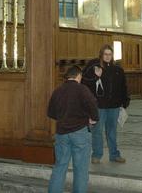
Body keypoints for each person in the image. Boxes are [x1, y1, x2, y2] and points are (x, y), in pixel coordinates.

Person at [47, 65, 99, 193]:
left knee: (60, 167)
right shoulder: (82, 89)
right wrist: (94, 118)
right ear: (78, 76)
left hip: (62, 134)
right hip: (80, 132)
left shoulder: (57, 90)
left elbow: (51, 113)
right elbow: (93, 104)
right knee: (80, 169)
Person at [82, 44, 129, 164]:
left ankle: (114, 155)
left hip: (114, 106)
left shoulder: (118, 70)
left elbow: (123, 87)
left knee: (112, 131)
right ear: (101, 55)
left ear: (112, 55)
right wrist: (95, 76)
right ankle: (97, 154)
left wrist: (125, 101)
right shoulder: (95, 68)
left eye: (110, 54)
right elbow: (85, 83)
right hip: (100, 106)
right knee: (97, 131)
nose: (108, 56)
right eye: (105, 54)